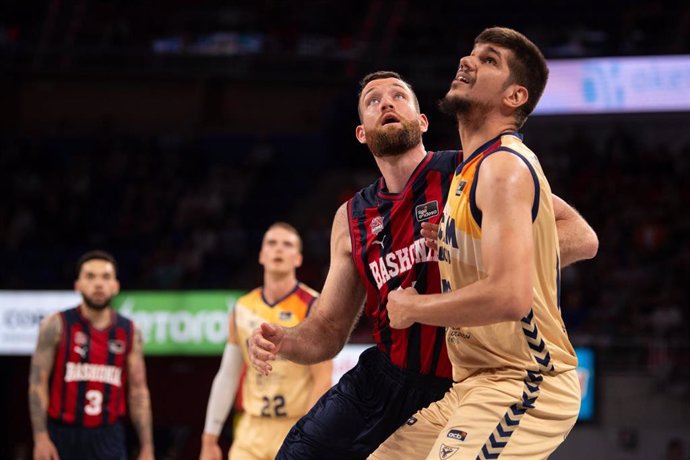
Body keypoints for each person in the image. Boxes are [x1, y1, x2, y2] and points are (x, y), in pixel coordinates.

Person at [249, 70, 598, 459]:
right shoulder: (349, 219)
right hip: (384, 378)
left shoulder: (474, 171)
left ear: (422, 121)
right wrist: (287, 341)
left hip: (468, 377)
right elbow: (329, 328)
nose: (386, 103)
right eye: (372, 101)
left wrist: (479, 248)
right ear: (362, 132)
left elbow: (580, 236)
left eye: (398, 95)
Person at [370, 27, 585, 459]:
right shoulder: (470, 169)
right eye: (471, 53)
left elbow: (511, 294)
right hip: (472, 384)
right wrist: (474, 247)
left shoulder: (504, 167)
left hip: (525, 380)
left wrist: (414, 307)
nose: (467, 61)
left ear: (514, 97)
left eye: (489, 60)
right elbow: (586, 238)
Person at [200, 222, 333, 460]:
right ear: (261, 255)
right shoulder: (242, 308)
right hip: (251, 431)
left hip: (294, 426)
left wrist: (308, 434)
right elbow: (227, 376)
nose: (278, 249)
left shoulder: (314, 306)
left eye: (287, 244)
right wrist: (209, 438)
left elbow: (323, 379)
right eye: (271, 243)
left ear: (298, 258)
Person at [28, 250, 154, 460]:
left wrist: (147, 447)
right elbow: (37, 383)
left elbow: (138, 391)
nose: (98, 284)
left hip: (108, 435)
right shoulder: (56, 325)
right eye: (90, 276)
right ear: (77, 285)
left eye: (105, 277)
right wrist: (40, 437)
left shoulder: (130, 331)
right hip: (62, 433)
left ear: (116, 286)